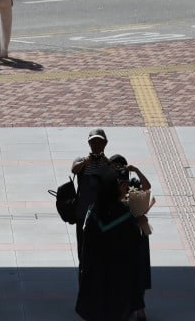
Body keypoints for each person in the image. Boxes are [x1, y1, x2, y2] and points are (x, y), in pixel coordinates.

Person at [74, 170, 146, 321]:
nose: (124, 186)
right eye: (119, 184)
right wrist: (139, 224)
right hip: (117, 278)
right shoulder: (125, 215)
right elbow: (134, 246)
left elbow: (86, 244)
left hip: (96, 274)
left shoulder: (93, 211)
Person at [111, 154, 153, 321]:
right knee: (123, 273)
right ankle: (126, 307)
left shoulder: (133, 184)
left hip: (137, 236)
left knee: (139, 271)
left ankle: (140, 308)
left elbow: (147, 187)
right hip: (120, 236)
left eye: (121, 167)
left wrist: (136, 170)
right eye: (114, 168)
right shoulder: (110, 188)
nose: (119, 172)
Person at [71, 128, 112, 261]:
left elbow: (115, 178)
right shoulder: (82, 160)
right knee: (82, 246)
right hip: (83, 212)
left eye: (99, 142)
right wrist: (85, 162)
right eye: (93, 142)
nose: (96, 146)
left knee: (102, 247)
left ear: (105, 144)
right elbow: (74, 169)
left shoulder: (108, 163)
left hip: (102, 214)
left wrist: (106, 164)